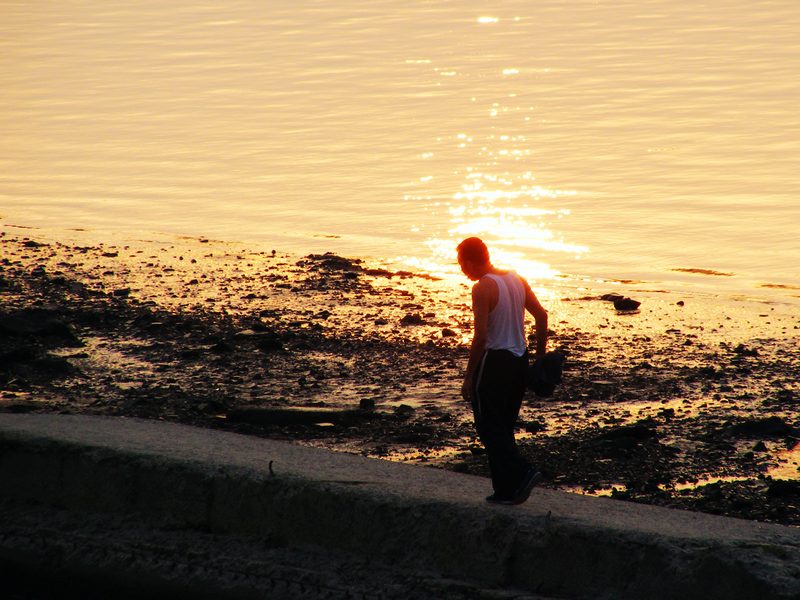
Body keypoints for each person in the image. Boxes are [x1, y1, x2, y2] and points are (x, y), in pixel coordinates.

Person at [457, 237, 548, 505]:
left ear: (473, 260)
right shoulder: (516, 278)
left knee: (487, 427)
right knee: (504, 427)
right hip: (519, 361)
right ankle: (505, 491)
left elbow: (481, 336)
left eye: (463, 264)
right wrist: (539, 358)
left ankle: (523, 471)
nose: (462, 270)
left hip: (495, 362)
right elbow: (541, 317)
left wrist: (469, 375)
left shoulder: (483, 287)